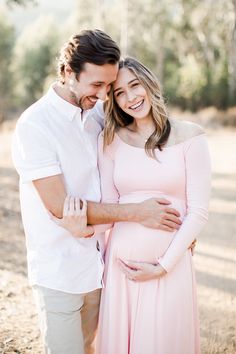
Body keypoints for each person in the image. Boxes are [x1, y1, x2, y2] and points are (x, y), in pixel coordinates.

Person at [11, 31, 182, 354]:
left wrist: (182, 219)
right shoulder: (35, 125)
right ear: (67, 73)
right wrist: (137, 212)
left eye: (109, 86)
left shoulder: (100, 115)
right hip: (58, 271)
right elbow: (61, 206)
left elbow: (148, 157)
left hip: (102, 266)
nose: (104, 95)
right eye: (95, 85)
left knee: (93, 348)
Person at [58, 57, 211, 354]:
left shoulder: (191, 136)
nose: (130, 98)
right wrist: (84, 229)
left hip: (170, 267)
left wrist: (163, 266)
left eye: (135, 85)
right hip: (121, 270)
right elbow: (110, 207)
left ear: (149, 83)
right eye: (119, 93)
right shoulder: (111, 140)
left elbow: (199, 212)